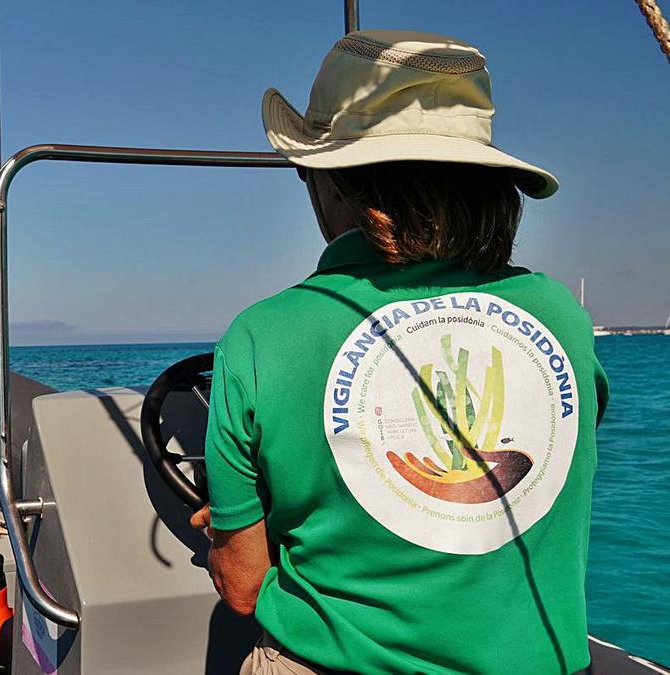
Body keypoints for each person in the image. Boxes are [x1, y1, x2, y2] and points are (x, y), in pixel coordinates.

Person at [193, 31, 607, 674]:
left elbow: (242, 587)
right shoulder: (562, 316)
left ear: (330, 180)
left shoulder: (261, 335)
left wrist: (236, 527)